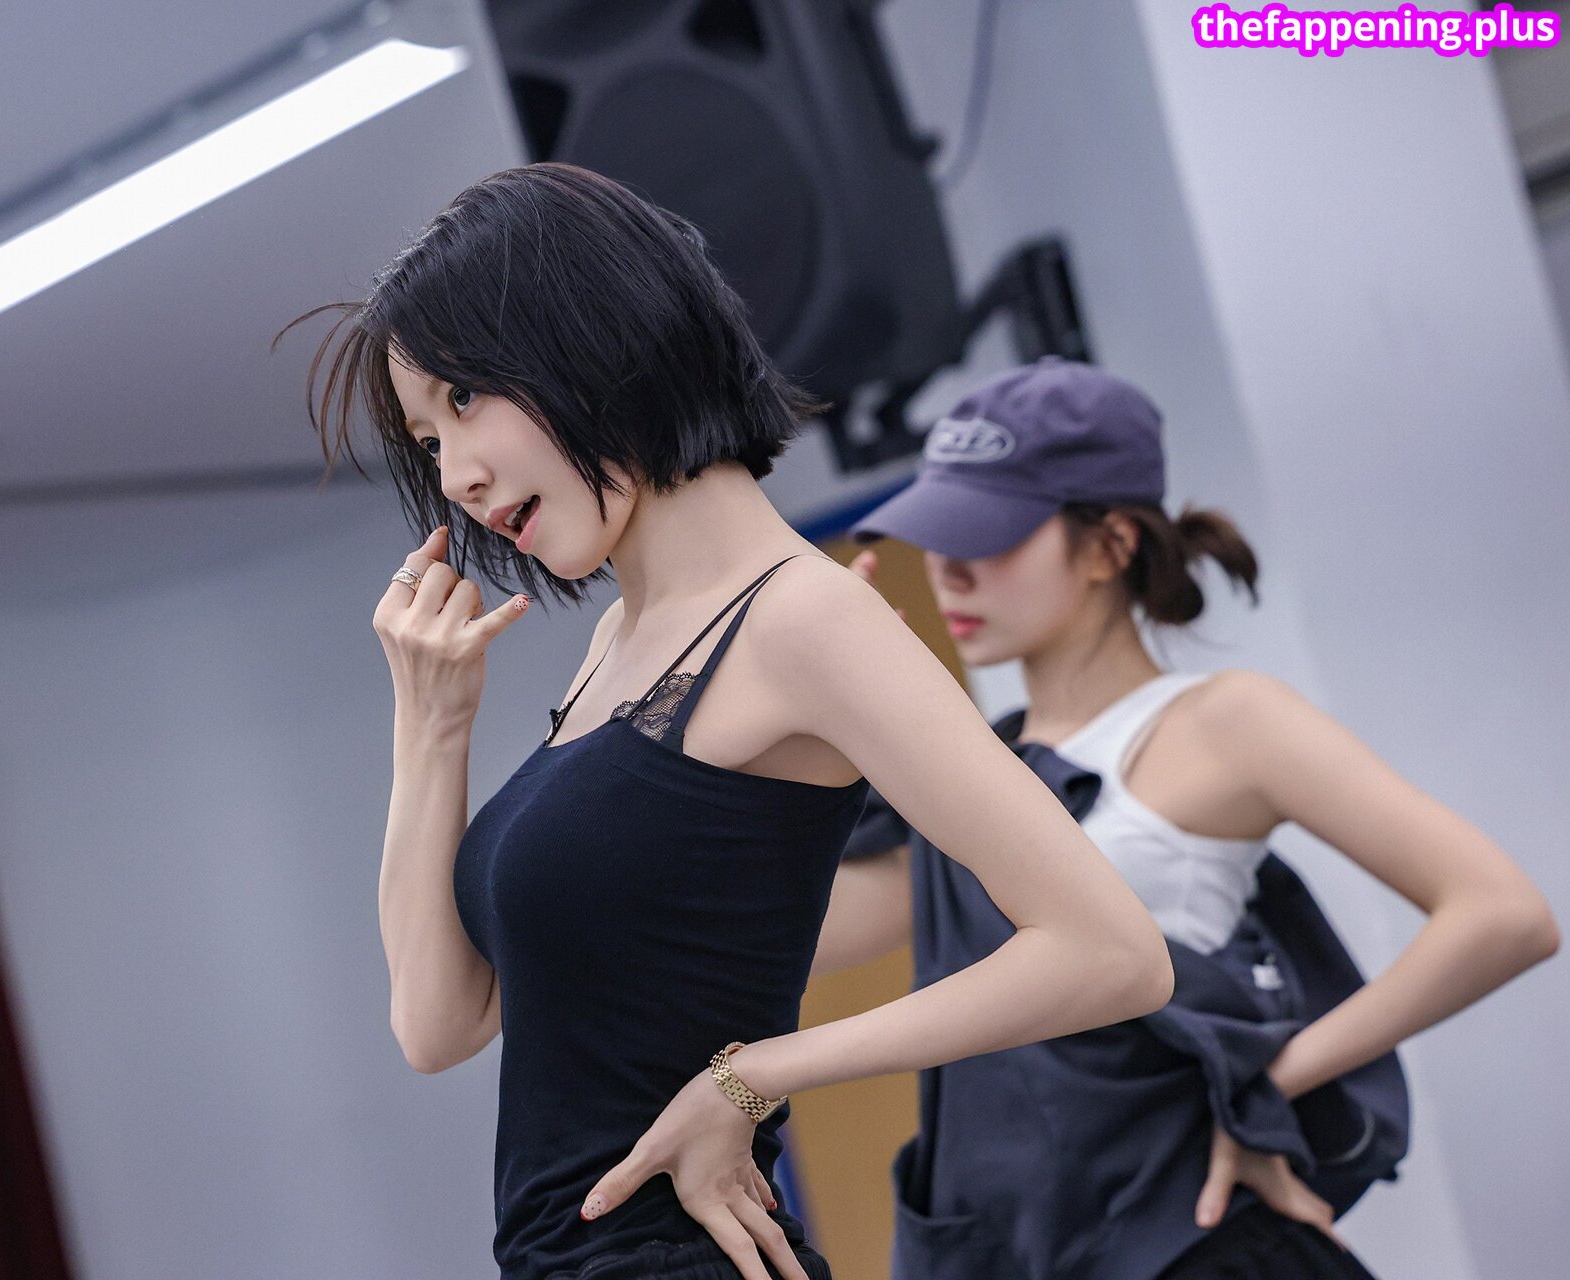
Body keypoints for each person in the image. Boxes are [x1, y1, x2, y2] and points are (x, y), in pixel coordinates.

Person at [283, 165, 1176, 1280]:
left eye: (463, 400)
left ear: (588, 334)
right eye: (425, 442)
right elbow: (437, 1023)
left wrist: (754, 1077)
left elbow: (1112, 952)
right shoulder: (617, 642)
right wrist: (430, 725)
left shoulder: (804, 617)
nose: (455, 475)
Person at [825, 357, 1561, 1279]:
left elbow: (1504, 914)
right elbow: (805, 940)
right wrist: (828, 719)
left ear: (1110, 545)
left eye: (987, 535)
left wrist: (1267, 1088)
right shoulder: (975, 774)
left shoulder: (1221, 721)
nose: (949, 572)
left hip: (1199, 1239)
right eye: (936, 536)